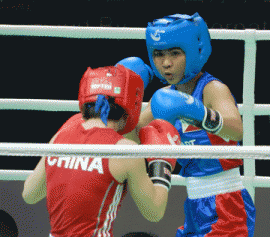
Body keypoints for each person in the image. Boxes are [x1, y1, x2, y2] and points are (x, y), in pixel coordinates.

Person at [22, 58, 181, 237]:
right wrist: (162, 163)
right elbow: (154, 212)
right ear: (132, 104)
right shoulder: (124, 151)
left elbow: (29, 194)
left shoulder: (63, 134)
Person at [129, 13, 256, 236]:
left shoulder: (212, 89)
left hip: (226, 203)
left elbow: (237, 129)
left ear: (195, 50)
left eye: (175, 53)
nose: (166, 63)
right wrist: (123, 97)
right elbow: (132, 132)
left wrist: (197, 112)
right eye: (159, 54)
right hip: (194, 202)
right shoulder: (163, 97)